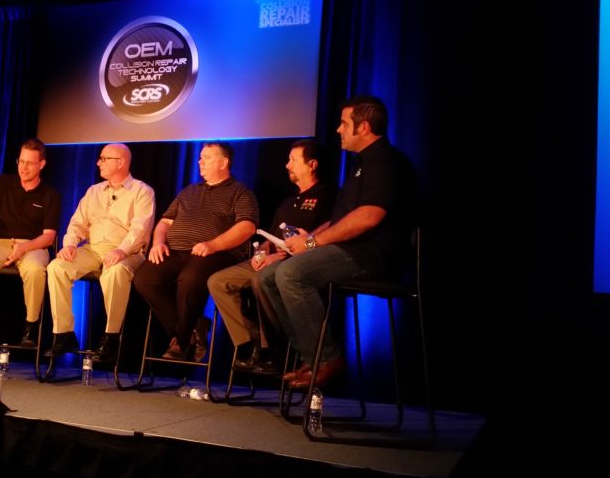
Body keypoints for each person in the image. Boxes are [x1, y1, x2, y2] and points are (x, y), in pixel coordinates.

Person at [259, 95, 418, 389]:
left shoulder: (385, 162)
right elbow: (340, 218)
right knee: (268, 276)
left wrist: (311, 245)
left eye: (344, 123)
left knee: (291, 273)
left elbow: (368, 216)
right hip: (352, 251)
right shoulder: (361, 165)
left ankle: (328, 358)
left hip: (374, 256)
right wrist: (309, 238)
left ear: (364, 127)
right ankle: (311, 357)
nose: (338, 130)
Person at [207, 139, 334, 375]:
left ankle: (270, 351)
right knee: (217, 281)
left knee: (261, 280)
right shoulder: (288, 201)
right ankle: (249, 344)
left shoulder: (328, 196)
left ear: (312, 164)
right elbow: (270, 236)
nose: (287, 165)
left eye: (293, 160)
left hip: (297, 263)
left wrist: (281, 257)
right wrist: (260, 253)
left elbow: (326, 233)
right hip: (270, 259)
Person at [133, 141, 259, 361]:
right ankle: (194, 328)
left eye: (207, 157)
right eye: (200, 157)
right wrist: (158, 243)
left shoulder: (240, 192)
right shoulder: (189, 191)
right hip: (176, 251)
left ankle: (180, 342)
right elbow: (164, 222)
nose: (200, 161)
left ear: (224, 162)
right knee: (145, 277)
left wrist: (213, 244)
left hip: (215, 254)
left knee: (189, 279)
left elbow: (247, 227)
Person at [45, 143, 155, 361]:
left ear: (121, 162)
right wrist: (69, 244)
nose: (98, 163)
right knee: (56, 267)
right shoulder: (94, 191)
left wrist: (121, 251)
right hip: (93, 249)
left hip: (128, 252)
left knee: (115, 272)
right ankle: (64, 333)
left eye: (104, 159)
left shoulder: (142, 191)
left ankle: (111, 337)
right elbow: (77, 223)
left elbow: (140, 230)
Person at [0, 138, 61, 347]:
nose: (23, 167)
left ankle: (30, 327)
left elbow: (49, 237)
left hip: (33, 246)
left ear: (41, 165)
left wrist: (24, 247)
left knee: (35, 270)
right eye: (21, 161)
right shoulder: (3, 183)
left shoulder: (50, 195)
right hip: (1, 243)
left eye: (29, 163)